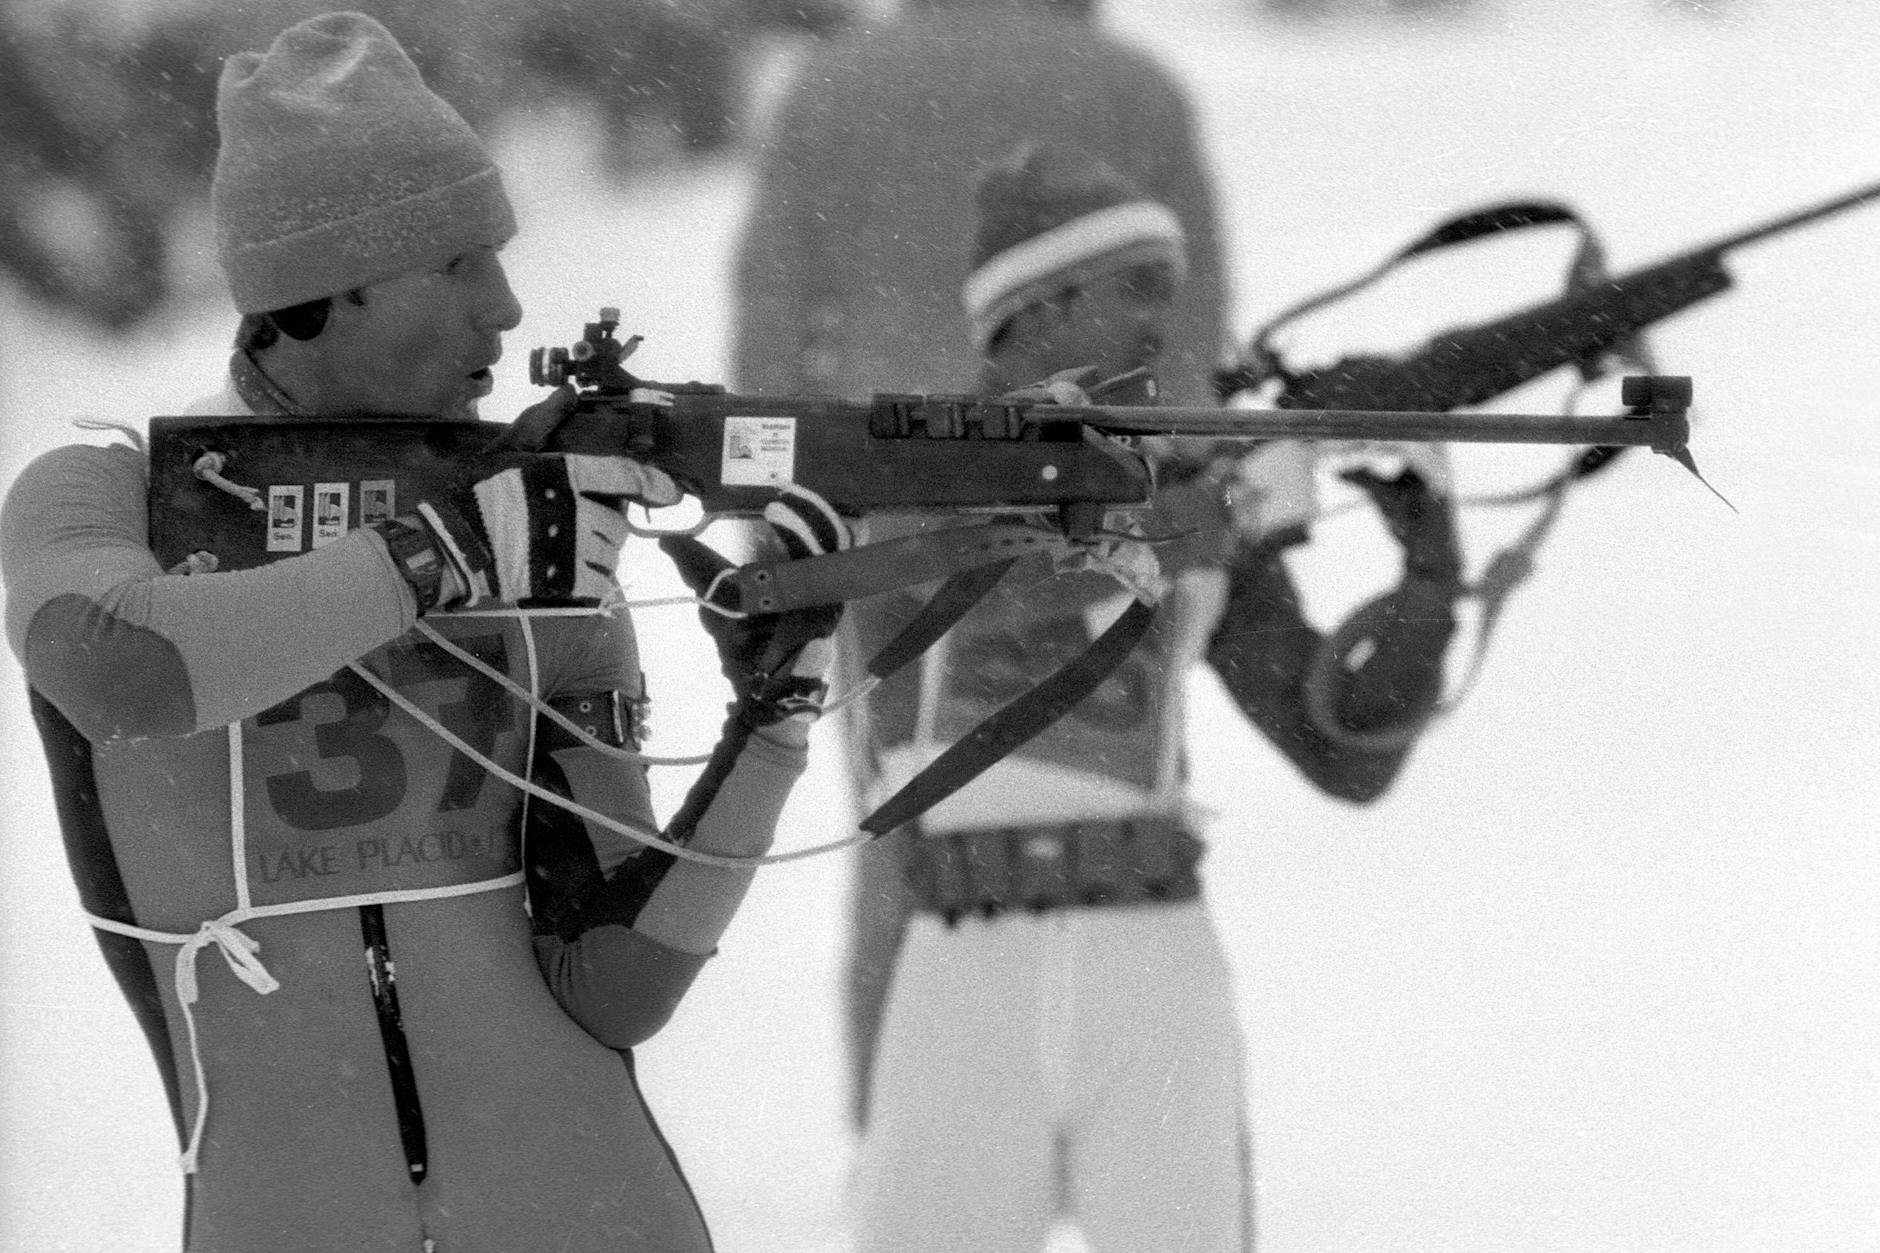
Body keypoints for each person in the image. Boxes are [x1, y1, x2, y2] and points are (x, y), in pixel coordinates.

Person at [0, 13, 842, 1253]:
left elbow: (614, 983)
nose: (505, 306)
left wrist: (769, 730)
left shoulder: (532, 530)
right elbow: (120, 668)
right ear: (323, 293)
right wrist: (440, 556)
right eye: (456, 262)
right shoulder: (102, 494)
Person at [839, 143, 1466, 1252]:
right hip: (959, 968)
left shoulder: (1177, 495)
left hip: (1152, 958)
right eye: (1136, 289)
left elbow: (1342, 747)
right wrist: (1214, 515)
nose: (1157, 327)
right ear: (1041, 302)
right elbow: (986, 592)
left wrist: (1428, 579)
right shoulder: (901, 464)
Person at [727, 0, 1231, 1126]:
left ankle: (910, 1130)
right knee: (1120, 799)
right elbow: (1187, 322)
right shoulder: (1129, 84)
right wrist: (1183, 481)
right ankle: (1119, 1118)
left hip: (885, 512)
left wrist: (774, 522)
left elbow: (773, 305)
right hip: (1103, 496)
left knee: (906, 816)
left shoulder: (834, 86)